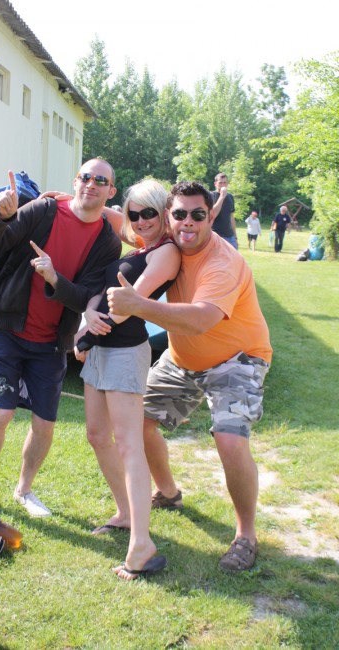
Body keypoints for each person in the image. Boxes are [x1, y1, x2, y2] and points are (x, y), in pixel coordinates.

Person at [107, 180, 273, 572]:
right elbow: (123, 222)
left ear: (211, 216)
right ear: (169, 216)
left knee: (229, 439)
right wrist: (70, 199)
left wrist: (137, 305)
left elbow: (200, 319)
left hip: (237, 360)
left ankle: (246, 535)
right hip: (183, 359)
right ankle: (168, 492)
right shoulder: (169, 240)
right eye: (179, 214)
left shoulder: (223, 262)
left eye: (198, 214)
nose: (188, 222)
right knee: (137, 423)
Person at [0, 158, 122, 516]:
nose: (91, 184)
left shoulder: (107, 242)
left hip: (52, 342)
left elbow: (86, 297)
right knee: (2, 411)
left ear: (111, 191)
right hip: (5, 327)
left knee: (44, 424)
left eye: (100, 180)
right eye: (86, 177)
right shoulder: (43, 211)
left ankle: (24, 490)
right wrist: (0, 215)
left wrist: (54, 278)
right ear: (76, 181)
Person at [74, 179, 181, 580]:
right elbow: (106, 214)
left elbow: (130, 303)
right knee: (97, 435)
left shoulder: (166, 252)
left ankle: (142, 544)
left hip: (123, 351)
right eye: (134, 214)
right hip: (100, 349)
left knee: (128, 444)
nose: (140, 220)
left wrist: (87, 333)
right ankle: (124, 513)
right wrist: (87, 317)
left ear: (163, 213)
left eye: (148, 213)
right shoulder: (139, 246)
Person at [211, 172, 238, 249]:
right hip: (216, 236)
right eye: (220, 183)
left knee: (234, 256)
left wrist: (235, 236)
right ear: (215, 184)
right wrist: (222, 197)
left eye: (224, 182)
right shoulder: (211, 196)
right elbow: (213, 214)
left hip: (230, 236)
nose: (223, 185)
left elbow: (231, 217)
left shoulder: (230, 197)